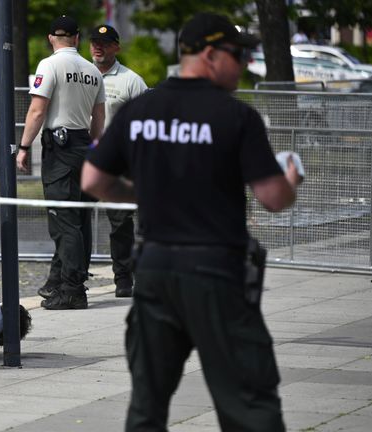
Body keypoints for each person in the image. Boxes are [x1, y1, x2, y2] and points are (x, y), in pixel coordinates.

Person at [82, 13, 303, 431]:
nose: (243, 65)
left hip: (155, 272)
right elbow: (273, 198)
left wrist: (142, 194)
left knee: (147, 405)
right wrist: (292, 179)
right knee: (248, 403)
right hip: (216, 272)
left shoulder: (139, 110)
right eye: (238, 55)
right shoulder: (234, 116)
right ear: (211, 54)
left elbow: (93, 180)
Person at [16, 15, 105, 310]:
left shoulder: (50, 65)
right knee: (78, 219)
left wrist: (24, 146)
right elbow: (99, 119)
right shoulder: (93, 71)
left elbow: (37, 111)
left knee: (63, 220)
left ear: (51, 38)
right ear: (77, 38)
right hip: (84, 146)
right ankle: (60, 280)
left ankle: (72, 289)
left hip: (60, 149)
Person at [89, 24, 147, 298]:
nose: (98, 47)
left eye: (105, 42)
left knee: (121, 223)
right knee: (74, 220)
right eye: (94, 42)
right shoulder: (82, 74)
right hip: (83, 158)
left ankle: (123, 278)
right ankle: (73, 279)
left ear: (116, 47)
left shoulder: (131, 81)